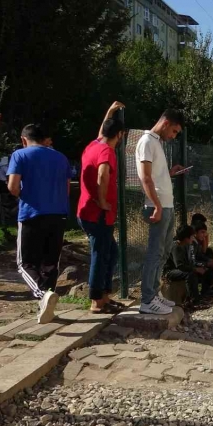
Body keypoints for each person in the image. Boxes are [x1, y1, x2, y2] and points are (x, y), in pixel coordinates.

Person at [7, 124, 72, 323]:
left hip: (32, 214)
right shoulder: (61, 157)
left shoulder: (20, 155)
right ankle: (47, 306)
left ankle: (42, 294)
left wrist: (24, 195)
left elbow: (12, 186)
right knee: (50, 263)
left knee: (24, 263)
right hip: (58, 214)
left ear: (23, 139)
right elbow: (67, 188)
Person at [77, 101, 126, 314]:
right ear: (120, 135)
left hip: (86, 212)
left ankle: (105, 296)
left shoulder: (94, 145)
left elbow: (102, 130)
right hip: (98, 214)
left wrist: (110, 111)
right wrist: (103, 200)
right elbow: (102, 174)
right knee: (100, 254)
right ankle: (97, 301)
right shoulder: (107, 152)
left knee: (111, 252)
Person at [135, 109, 185, 315]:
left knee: (164, 252)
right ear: (165, 123)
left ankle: (154, 294)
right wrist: (155, 205)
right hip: (158, 206)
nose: (173, 136)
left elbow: (155, 174)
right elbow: (145, 177)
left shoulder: (156, 142)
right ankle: (147, 299)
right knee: (155, 253)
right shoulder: (146, 142)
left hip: (166, 205)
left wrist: (169, 173)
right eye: (174, 131)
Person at [165, 225, 203, 306]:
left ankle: (203, 294)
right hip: (170, 271)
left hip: (179, 269)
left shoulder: (184, 246)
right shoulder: (176, 247)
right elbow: (180, 266)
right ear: (186, 238)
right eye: (192, 236)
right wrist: (195, 269)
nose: (193, 238)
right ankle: (194, 301)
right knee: (191, 274)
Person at [191, 221, 213, 297]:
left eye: (205, 232)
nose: (204, 235)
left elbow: (201, 254)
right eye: (202, 232)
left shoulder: (197, 242)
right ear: (195, 233)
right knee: (206, 268)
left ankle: (210, 287)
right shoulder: (192, 243)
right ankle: (204, 291)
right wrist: (206, 264)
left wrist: (209, 261)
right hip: (189, 266)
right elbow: (193, 260)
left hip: (194, 263)